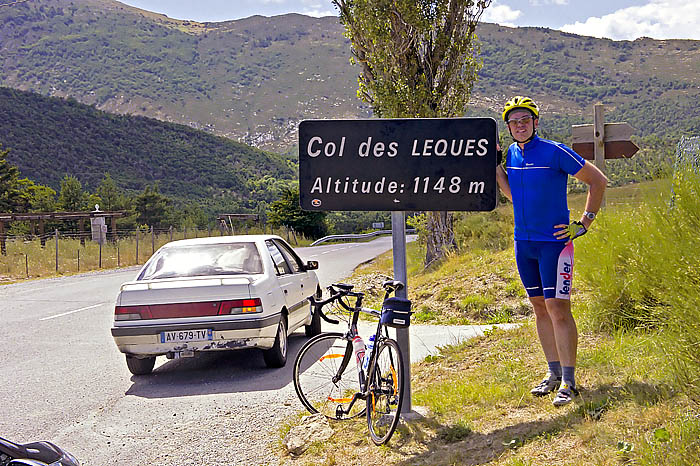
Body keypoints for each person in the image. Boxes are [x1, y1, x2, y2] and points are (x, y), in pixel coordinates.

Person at [495, 96, 608, 406]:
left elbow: (598, 181)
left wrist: (584, 223)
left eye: (525, 120)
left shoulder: (553, 151)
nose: (519, 126)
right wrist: (496, 168)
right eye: (514, 122)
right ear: (509, 127)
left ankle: (570, 382)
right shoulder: (513, 155)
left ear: (535, 123)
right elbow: (514, 195)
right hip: (524, 244)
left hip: (555, 245)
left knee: (558, 309)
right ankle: (553, 373)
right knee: (539, 308)